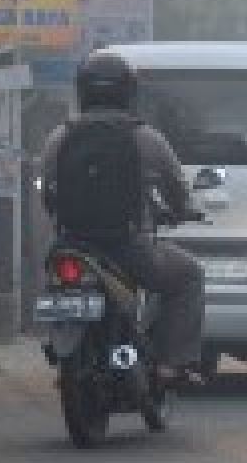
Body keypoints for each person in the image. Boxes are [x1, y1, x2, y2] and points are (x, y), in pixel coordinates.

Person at [41, 52, 204, 384]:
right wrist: (184, 210)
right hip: (129, 250)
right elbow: (176, 187)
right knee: (189, 275)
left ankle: (65, 349)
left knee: (57, 283)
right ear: (127, 92)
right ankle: (170, 364)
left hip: (71, 246)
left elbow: (47, 190)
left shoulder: (60, 137)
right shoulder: (146, 138)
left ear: (82, 91)